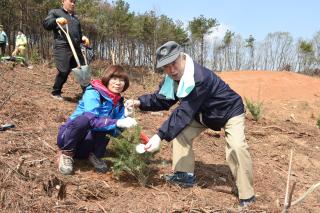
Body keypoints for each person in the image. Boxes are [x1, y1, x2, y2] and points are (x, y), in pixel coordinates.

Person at [125, 41, 256, 207]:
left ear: (182, 57)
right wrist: (139, 102)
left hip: (228, 111)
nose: (172, 70)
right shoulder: (171, 79)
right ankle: (183, 175)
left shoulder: (199, 77)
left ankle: (247, 195)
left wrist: (159, 136)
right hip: (203, 114)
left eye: (174, 63)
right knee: (181, 133)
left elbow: (184, 112)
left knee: (237, 147)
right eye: (166, 66)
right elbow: (162, 99)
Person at [57, 65, 137, 175]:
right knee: (84, 120)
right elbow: (91, 120)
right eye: (114, 79)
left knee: (110, 126)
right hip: (68, 138)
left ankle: (95, 155)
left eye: (122, 80)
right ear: (107, 79)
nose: (118, 83)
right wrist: (117, 121)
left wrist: (126, 117)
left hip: (84, 147)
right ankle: (66, 154)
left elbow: (115, 132)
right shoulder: (93, 92)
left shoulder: (118, 102)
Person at [43, 0, 90, 100]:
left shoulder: (75, 19)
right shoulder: (55, 12)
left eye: (74, 2)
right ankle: (56, 92)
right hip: (62, 46)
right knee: (64, 70)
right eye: (71, 1)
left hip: (76, 47)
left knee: (83, 71)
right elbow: (46, 24)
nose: (73, 4)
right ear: (63, 1)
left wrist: (83, 38)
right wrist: (55, 20)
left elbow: (79, 34)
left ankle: (87, 94)